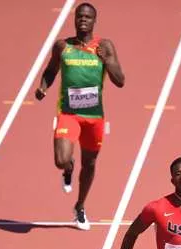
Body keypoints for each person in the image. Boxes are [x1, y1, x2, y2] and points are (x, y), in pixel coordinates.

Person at [35, 2, 125, 230]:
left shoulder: (104, 46)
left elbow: (120, 81)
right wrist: (43, 87)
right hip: (69, 113)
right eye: (79, 16)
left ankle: (80, 206)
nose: (83, 20)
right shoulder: (63, 46)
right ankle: (68, 167)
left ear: (94, 21)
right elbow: (50, 70)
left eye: (87, 17)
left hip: (94, 116)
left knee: (91, 163)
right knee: (61, 160)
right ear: (75, 20)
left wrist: (106, 60)